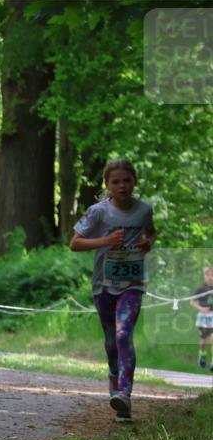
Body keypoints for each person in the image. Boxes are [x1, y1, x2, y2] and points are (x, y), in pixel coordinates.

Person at [70, 158, 157, 422]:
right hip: (103, 286)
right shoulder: (98, 212)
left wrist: (147, 243)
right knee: (111, 341)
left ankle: (125, 394)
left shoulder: (144, 210)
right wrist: (105, 240)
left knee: (123, 335)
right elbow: (75, 243)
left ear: (134, 182)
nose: (122, 186)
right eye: (116, 181)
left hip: (132, 284)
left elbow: (151, 233)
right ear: (107, 184)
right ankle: (114, 383)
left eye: (127, 180)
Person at [191, 266, 213, 370]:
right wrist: (201, 308)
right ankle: (202, 354)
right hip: (203, 317)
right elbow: (192, 302)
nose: (210, 278)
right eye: (208, 275)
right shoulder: (201, 289)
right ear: (205, 276)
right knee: (204, 339)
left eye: (212, 275)